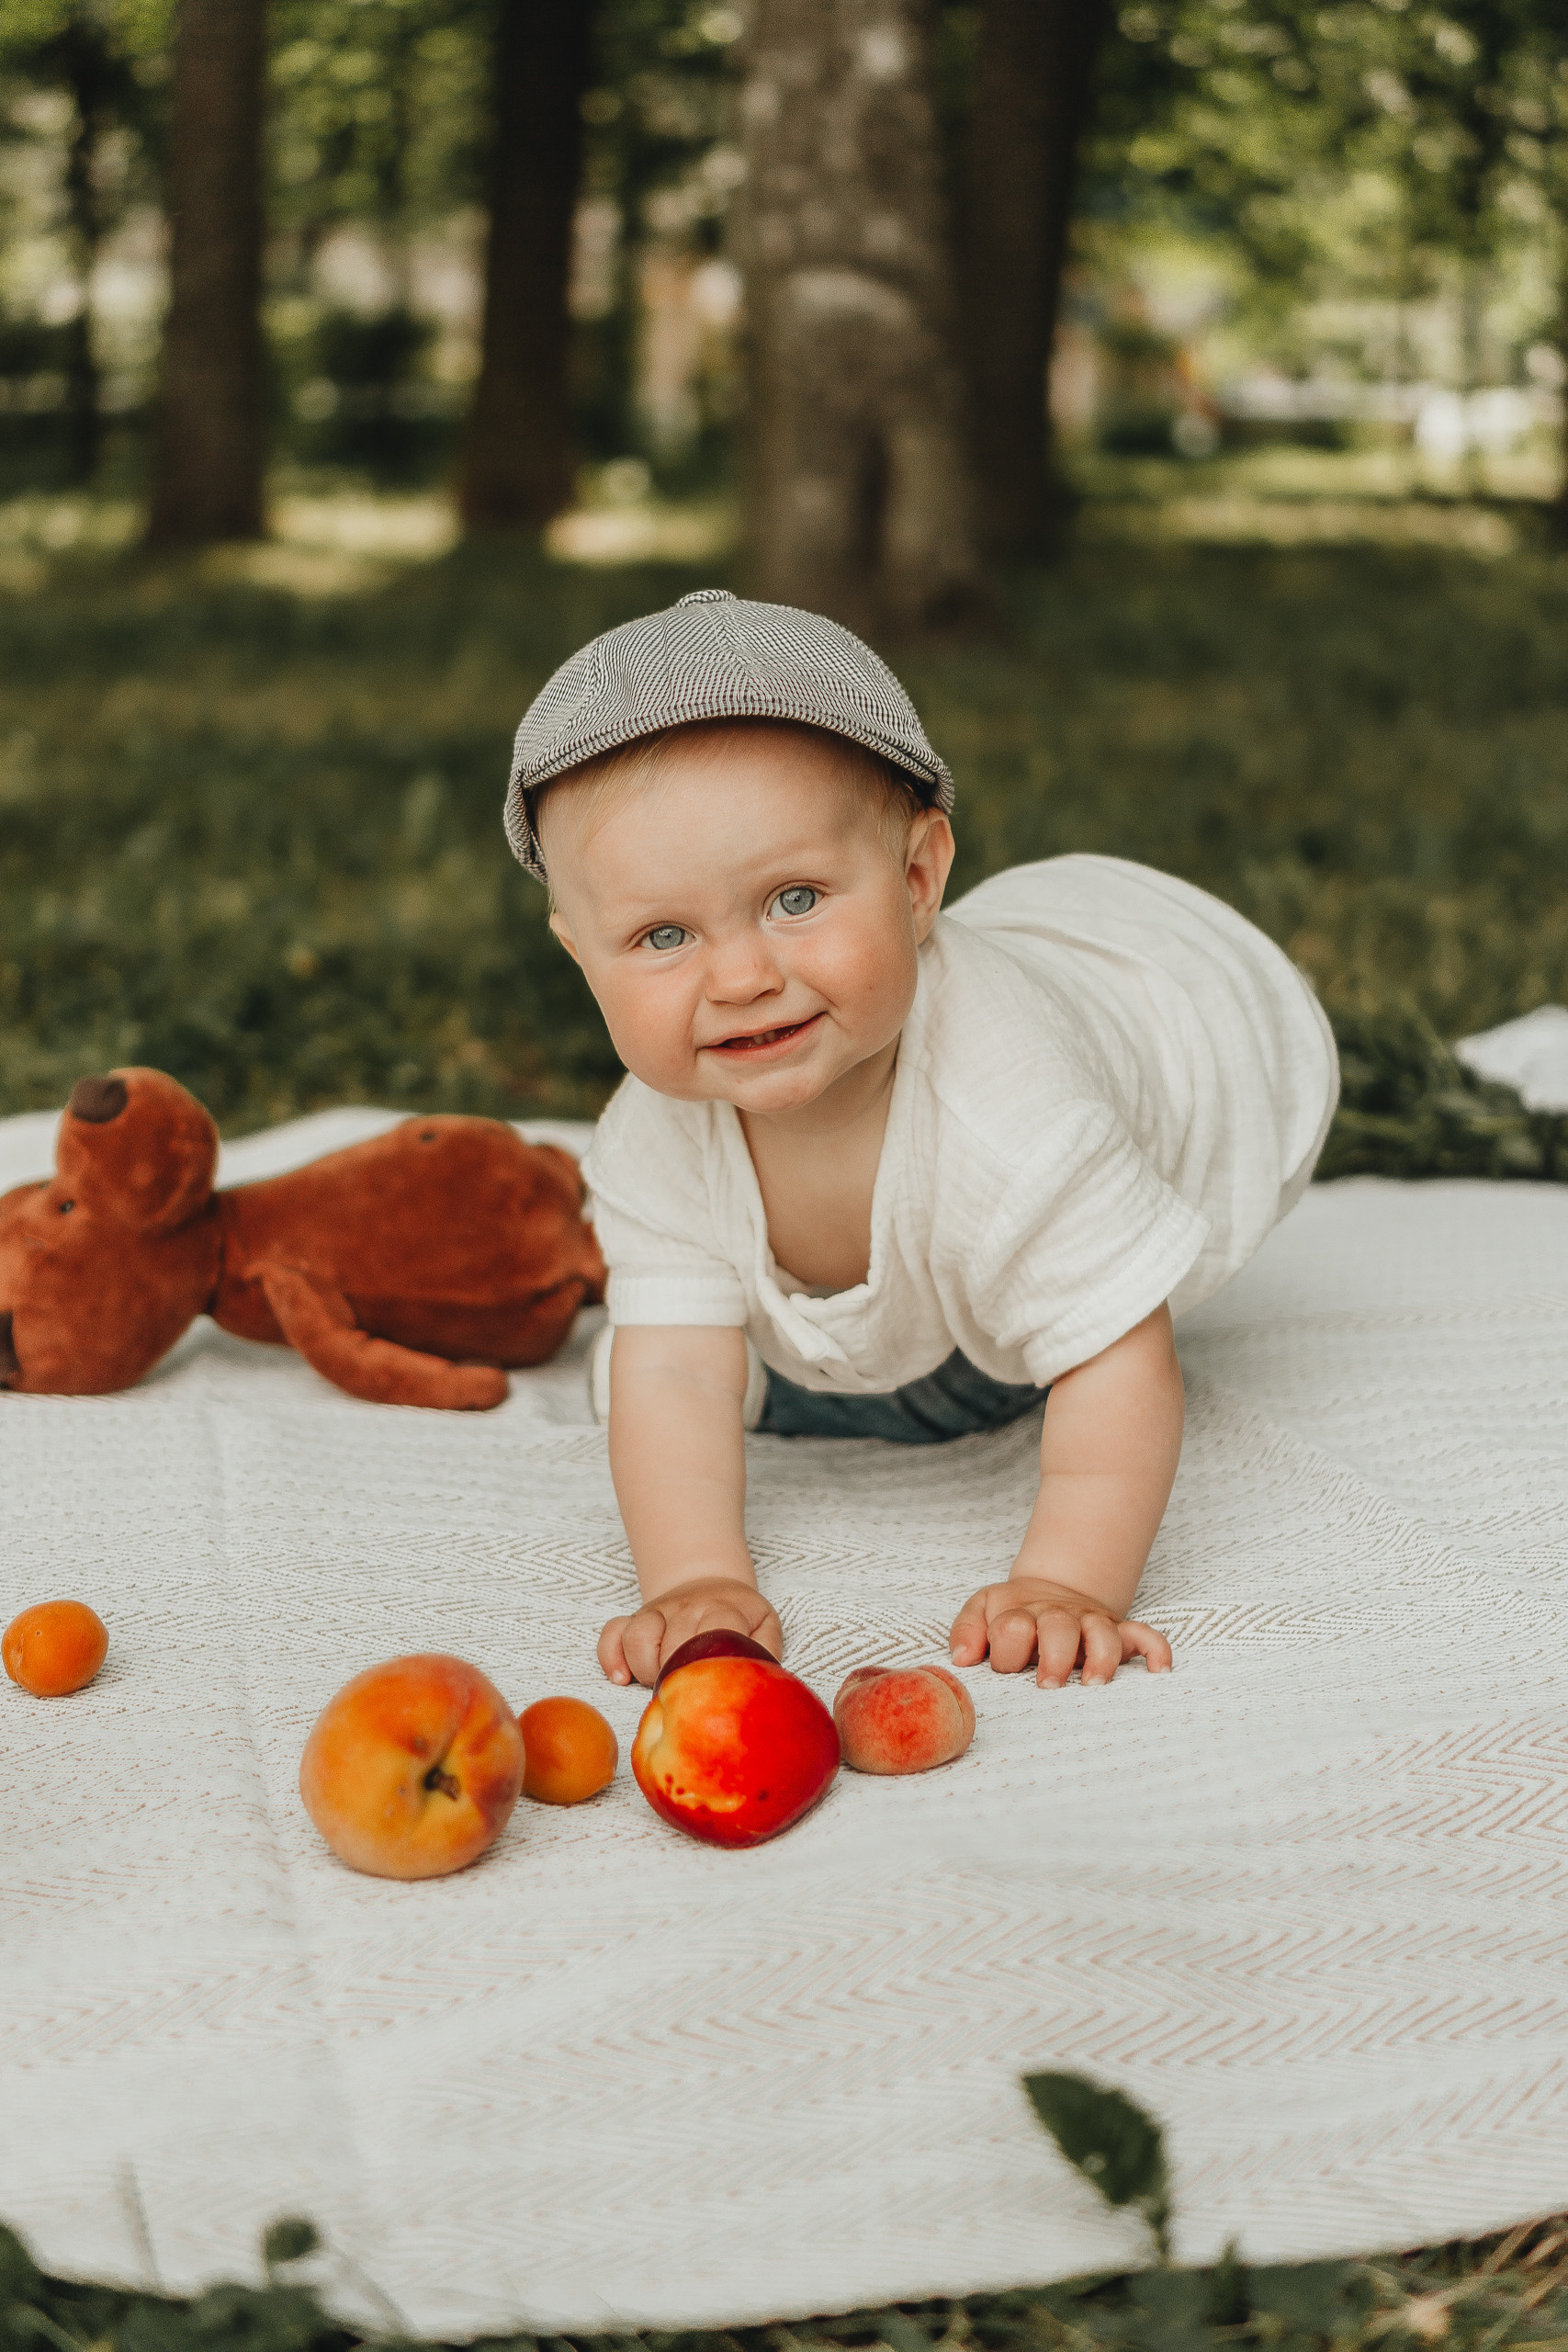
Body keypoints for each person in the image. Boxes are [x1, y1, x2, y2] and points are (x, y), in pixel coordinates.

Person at [503, 590, 1338, 1694]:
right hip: (906, 1276)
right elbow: (671, 1365)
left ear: (915, 879)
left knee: (1032, 1346)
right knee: (649, 1363)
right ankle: (831, 1356)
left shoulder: (1017, 1111)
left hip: (1144, 1052)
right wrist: (696, 1575)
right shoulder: (655, 1132)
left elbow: (1116, 1359)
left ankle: (944, 1348)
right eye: (662, 935)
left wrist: (1071, 1581)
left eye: (795, 898)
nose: (743, 976)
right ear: (580, 954)